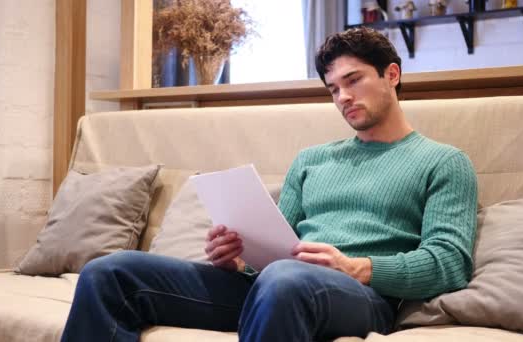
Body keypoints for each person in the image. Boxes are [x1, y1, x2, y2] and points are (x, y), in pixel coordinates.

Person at [60, 27, 477, 342]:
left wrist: (357, 267)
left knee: (284, 280)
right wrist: (238, 259)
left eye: (353, 80)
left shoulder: (443, 162)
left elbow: (450, 263)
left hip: (361, 297)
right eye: (333, 88)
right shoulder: (312, 160)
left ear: (391, 75)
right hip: (277, 285)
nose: (342, 97)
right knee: (109, 272)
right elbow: (279, 250)